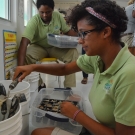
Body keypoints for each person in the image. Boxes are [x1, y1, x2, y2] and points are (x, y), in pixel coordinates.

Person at [14, 0, 135, 135]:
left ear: (106, 32)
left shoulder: (129, 75)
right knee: (37, 132)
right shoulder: (97, 57)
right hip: (98, 125)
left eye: (84, 33)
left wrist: (77, 114)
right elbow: (64, 69)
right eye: (79, 34)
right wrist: (32, 67)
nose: (79, 40)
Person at [17, 0, 78, 91]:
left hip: (55, 46)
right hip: (38, 46)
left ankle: (69, 87)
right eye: (42, 12)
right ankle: (40, 84)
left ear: (53, 10)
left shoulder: (57, 16)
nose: (45, 15)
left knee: (72, 52)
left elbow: (67, 31)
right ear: (38, 10)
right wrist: (20, 68)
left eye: (48, 12)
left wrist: (80, 36)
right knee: (26, 55)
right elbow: (24, 42)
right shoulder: (34, 21)